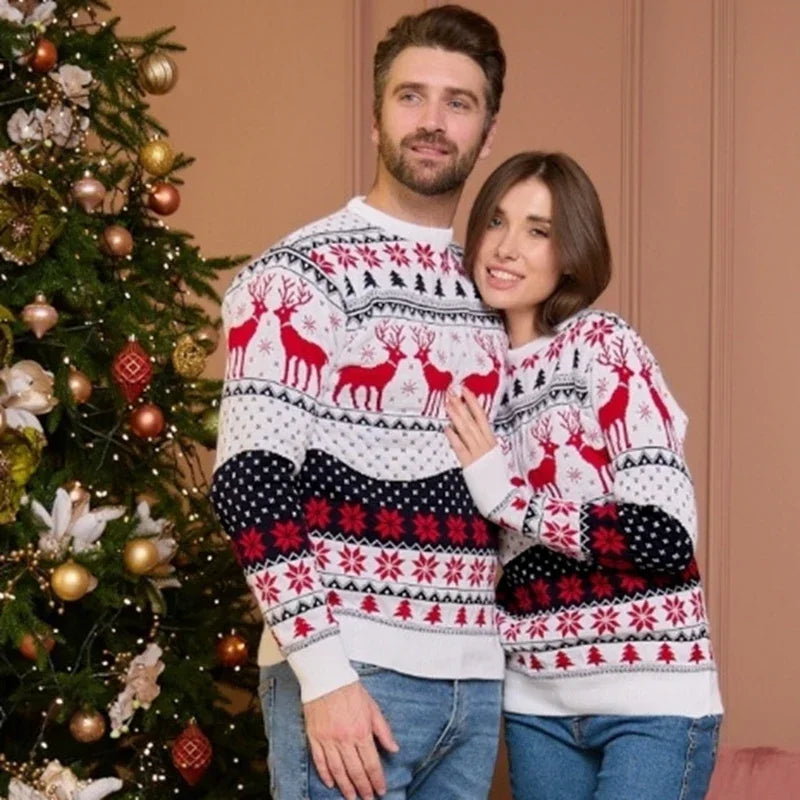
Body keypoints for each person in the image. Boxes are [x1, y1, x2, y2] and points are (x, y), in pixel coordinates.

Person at [211, 7, 508, 800]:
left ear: (487, 129)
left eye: (459, 102)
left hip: (476, 686)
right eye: (412, 97)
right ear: (377, 116)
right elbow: (249, 482)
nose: (433, 122)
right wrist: (325, 673)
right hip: (358, 672)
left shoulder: (502, 290)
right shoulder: (300, 273)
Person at [444, 151, 723, 800]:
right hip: (536, 708)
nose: (508, 248)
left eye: (538, 231)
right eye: (496, 222)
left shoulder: (605, 347)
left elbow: (664, 536)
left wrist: (511, 500)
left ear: (570, 253)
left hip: (650, 704)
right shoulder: (465, 381)